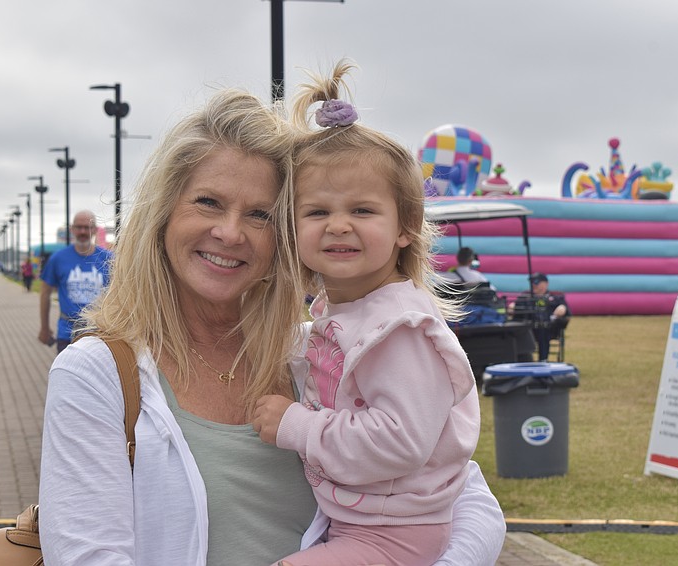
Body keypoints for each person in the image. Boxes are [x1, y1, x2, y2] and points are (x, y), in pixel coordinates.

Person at [38, 88, 505, 566]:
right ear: (161, 215)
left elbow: (463, 495)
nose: (231, 232)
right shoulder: (98, 374)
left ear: (283, 235)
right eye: (208, 202)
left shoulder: (316, 352)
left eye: (260, 214)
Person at [252, 60, 482, 566]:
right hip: (357, 522)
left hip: (394, 536)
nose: (338, 226)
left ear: (406, 226)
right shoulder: (348, 311)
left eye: (362, 210)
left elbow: (400, 442)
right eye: (317, 212)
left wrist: (297, 425)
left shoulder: (402, 330)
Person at [37, 210, 113, 352]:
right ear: (72, 229)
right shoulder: (58, 259)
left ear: (95, 230)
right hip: (67, 334)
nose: (83, 232)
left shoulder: (108, 259)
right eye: (79, 227)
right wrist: (44, 327)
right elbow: (45, 294)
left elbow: (121, 295)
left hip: (100, 334)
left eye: (87, 227)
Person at [509, 272, 570, 361]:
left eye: (536, 282)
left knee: (543, 327)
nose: (534, 285)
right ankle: (522, 360)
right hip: (528, 328)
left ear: (546, 284)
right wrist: (513, 307)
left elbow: (565, 311)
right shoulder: (525, 296)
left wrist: (563, 308)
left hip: (548, 329)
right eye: (532, 282)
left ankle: (543, 360)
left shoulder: (555, 297)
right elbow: (515, 308)